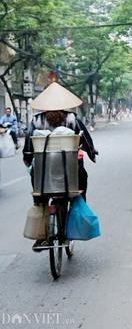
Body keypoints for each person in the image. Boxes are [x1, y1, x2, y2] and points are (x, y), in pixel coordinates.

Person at [22, 83, 98, 250]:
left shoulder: (35, 120)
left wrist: (29, 163)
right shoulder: (72, 118)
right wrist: (91, 152)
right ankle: (77, 207)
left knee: (40, 192)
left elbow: (28, 148)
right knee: (81, 182)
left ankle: (41, 232)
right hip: (69, 169)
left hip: (44, 172)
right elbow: (84, 139)